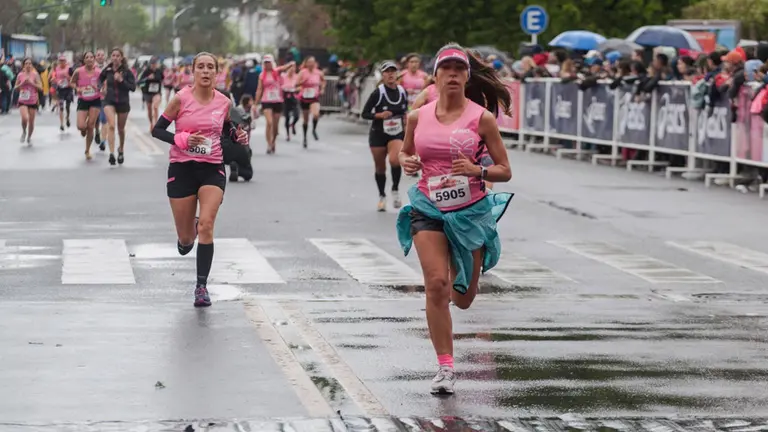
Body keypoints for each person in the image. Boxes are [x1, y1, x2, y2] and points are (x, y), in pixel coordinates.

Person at [396, 43, 513, 395]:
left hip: (469, 212)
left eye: (459, 69)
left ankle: (456, 275)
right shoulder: (417, 117)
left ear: (466, 77)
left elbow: (505, 170)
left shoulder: (482, 118)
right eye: (445, 69)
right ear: (435, 76)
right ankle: (445, 368)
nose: (452, 74)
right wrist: (406, 161)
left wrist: (478, 171)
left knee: (463, 298)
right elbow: (405, 152)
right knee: (435, 285)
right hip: (428, 207)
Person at [151, 51, 249, 307]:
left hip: (212, 168)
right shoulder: (180, 99)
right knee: (186, 240)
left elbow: (226, 128)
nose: (205, 71)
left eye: (210, 67)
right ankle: (189, 231)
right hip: (182, 169)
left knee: (206, 225)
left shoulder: (224, 102)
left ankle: (201, 287)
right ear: (193, 72)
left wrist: (237, 136)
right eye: (201, 67)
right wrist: (182, 139)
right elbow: (157, 130)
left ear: (216, 72)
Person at [361, 61, 407, 212]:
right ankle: (382, 196)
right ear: (383, 75)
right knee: (380, 167)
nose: (390, 74)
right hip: (378, 133)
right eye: (387, 71)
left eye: (393, 71)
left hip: (396, 132)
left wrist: (406, 119)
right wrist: (379, 115)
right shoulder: (378, 93)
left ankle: (395, 190)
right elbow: (365, 113)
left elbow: (404, 111)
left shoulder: (402, 91)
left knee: (395, 160)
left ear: (397, 74)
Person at [99, 47, 136, 166]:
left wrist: (121, 80)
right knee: (111, 125)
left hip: (123, 102)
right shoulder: (107, 69)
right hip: (109, 100)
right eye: (113, 55)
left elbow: (133, 87)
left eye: (117, 56)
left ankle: (121, 149)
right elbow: (100, 79)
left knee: (120, 129)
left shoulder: (127, 71)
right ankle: (111, 153)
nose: (115, 58)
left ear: (121, 58)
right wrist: (101, 87)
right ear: (111, 57)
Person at [254, 55, 295, 154]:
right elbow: (260, 89)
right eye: (265, 62)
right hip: (266, 100)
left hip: (277, 100)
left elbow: (284, 68)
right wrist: (255, 103)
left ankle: (273, 141)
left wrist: (291, 64)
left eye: (269, 62)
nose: (267, 64)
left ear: (272, 63)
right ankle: (269, 144)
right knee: (269, 122)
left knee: (275, 127)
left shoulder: (276, 71)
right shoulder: (262, 75)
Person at [70, 51, 102, 160]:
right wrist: (78, 88)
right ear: (84, 60)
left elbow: (104, 85)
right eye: (87, 57)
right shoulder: (78, 71)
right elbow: (72, 83)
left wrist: (98, 88)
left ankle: (87, 150)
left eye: (91, 57)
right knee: (81, 126)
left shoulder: (99, 72)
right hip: (83, 100)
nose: (89, 59)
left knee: (91, 125)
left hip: (95, 100)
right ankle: (83, 130)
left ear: (94, 59)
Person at [296, 56, 325, 148]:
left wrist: (322, 89)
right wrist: (302, 82)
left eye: (312, 62)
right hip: (304, 96)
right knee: (306, 119)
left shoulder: (318, 72)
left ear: (314, 63)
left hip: (314, 96)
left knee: (316, 114)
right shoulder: (302, 72)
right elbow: (296, 84)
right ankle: (305, 138)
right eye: (309, 62)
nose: (311, 64)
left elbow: (323, 81)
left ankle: (314, 130)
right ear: (306, 63)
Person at [14, 58, 42, 145]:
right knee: (24, 118)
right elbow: (15, 87)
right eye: (26, 63)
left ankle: (29, 136)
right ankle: (24, 131)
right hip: (23, 100)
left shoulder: (35, 75)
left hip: (33, 100)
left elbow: (40, 88)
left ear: (32, 65)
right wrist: (22, 84)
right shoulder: (20, 75)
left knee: (31, 121)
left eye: (30, 63)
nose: (28, 65)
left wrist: (31, 83)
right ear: (23, 65)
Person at [138, 57, 163, 134]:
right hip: (147, 93)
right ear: (150, 64)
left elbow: (162, 78)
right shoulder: (146, 71)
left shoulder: (159, 71)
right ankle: (151, 123)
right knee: (149, 109)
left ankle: (156, 125)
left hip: (156, 92)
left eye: (155, 64)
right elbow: (139, 81)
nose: (153, 65)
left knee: (155, 107)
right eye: (152, 64)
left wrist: (156, 78)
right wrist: (147, 78)